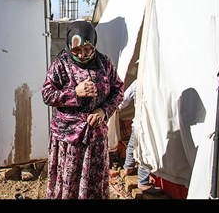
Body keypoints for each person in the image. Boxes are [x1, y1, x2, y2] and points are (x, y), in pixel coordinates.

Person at [41, 20, 124, 199]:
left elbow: (118, 90)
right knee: (68, 185)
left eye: (87, 49)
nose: (82, 54)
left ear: (93, 43)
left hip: (96, 139)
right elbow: (47, 94)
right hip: (69, 140)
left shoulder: (104, 63)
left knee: (92, 187)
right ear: (69, 46)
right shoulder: (60, 64)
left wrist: (104, 111)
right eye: (76, 50)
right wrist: (75, 93)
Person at [119, 79, 163, 195]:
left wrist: (116, 108)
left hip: (142, 123)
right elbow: (123, 100)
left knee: (134, 146)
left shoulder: (139, 82)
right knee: (146, 151)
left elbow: (123, 100)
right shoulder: (145, 82)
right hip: (146, 124)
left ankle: (128, 168)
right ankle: (142, 182)